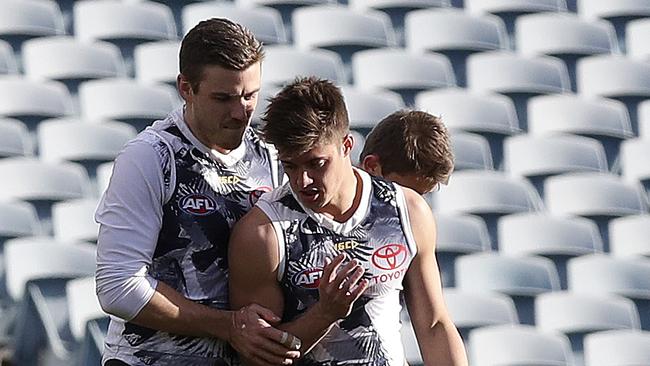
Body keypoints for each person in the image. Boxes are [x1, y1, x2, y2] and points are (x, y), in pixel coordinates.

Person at [95, 18, 299, 366]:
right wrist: (228, 326)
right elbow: (118, 287)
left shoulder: (273, 154)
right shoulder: (151, 157)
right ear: (185, 88)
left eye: (250, 96)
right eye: (223, 98)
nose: (240, 113)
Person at [228, 77, 468, 365]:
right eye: (290, 165)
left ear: (346, 146)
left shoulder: (408, 210)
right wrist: (324, 315)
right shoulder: (262, 232)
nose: (302, 180)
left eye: (316, 164)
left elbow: (434, 325)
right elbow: (256, 357)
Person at [359, 110, 454, 195]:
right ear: (372, 166)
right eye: (404, 195)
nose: (415, 204)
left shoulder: (418, 211)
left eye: (421, 196)